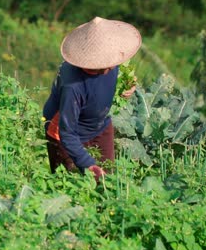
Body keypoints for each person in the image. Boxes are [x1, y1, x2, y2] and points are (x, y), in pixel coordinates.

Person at [42, 16, 141, 181]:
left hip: (100, 126)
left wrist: (129, 86)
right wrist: (88, 164)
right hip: (65, 135)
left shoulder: (111, 59)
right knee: (70, 186)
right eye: (107, 63)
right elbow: (67, 134)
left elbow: (121, 74)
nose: (113, 64)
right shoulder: (73, 86)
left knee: (106, 182)